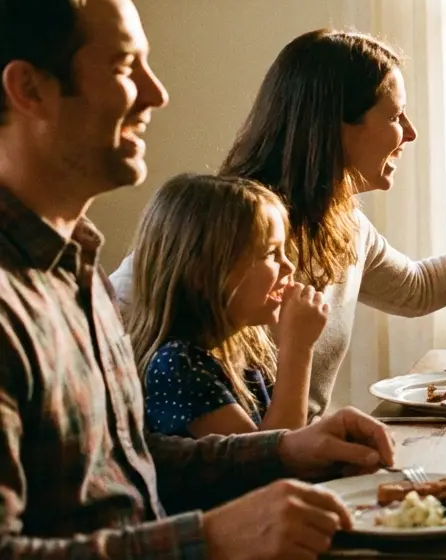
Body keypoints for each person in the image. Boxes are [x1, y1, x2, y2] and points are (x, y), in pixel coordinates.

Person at [0, 0, 395, 560]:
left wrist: (284, 451)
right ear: (29, 89)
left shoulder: (80, 273)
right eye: (127, 67)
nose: (158, 92)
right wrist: (207, 541)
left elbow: (136, 460)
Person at [111, 29, 446, 419]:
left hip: (303, 463)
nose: (411, 133)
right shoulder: (229, 229)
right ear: (335, 125)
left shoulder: (344, 223)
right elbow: (123, 313)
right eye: (396, 116)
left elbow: (418, 287)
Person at [127, 173, 330, 437]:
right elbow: (269, 460)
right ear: (203, 274)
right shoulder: (177, 366)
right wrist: (298, 348)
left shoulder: (246, 348)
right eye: (271, 254)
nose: (289, 267)